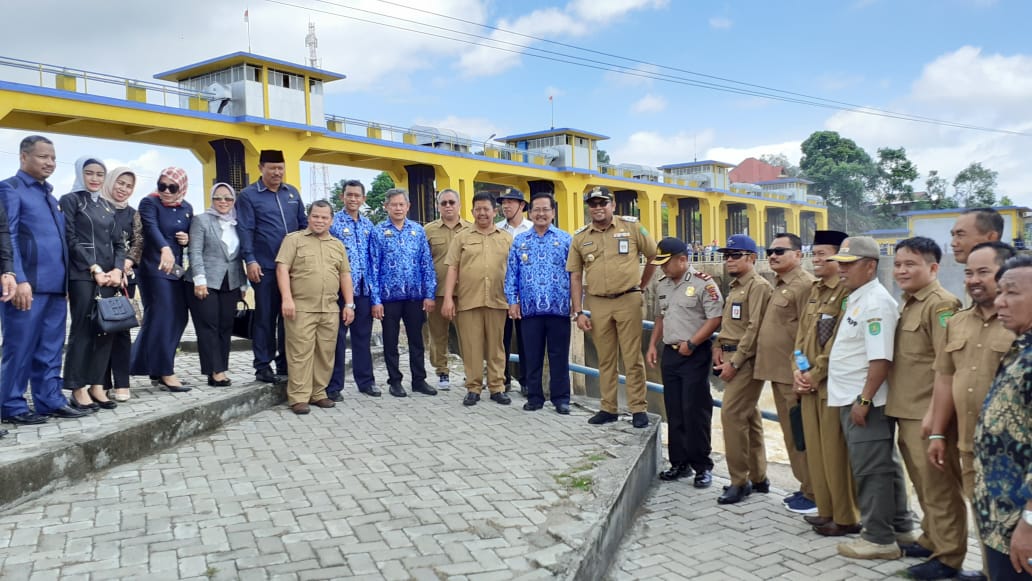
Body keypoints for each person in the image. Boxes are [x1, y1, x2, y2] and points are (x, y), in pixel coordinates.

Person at [825, 236, 916, 560]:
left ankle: (878, 539)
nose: (841, 269)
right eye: (840, 263)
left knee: (871, 470)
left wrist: (863, 400)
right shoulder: (858, 298)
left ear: (870, 266)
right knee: (884, 466)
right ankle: (901, 528)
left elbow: (880, 359)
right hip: (854, 397)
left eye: (849, 264)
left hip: (866, 402)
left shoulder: (875, 302)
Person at [930, 242, 1016, 581]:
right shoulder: (957, 322)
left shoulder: (1020, 323)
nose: (974, 280)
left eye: (983, 272)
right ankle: (989, 572)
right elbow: (945, 378)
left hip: (1010, 451)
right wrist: (938, 432)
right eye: (968, 273)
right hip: (969, 445)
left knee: (1014, 528)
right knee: (983, 519)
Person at [886, 236, 965, 579]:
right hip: (907, 409)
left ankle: (949, 558)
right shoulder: (910, 302)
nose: (901, 270)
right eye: (898, 264)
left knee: (940, 489)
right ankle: (931, 538)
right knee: (923, 484)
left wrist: (938, 421)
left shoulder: (941, 304)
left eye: (911, 264)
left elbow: (947, 365)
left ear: (933, 267)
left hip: (928, 413)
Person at [0, 135, 85, 425]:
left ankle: (50, 400)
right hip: (27, 286)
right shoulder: (10, 189)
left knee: (50, 348)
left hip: (56, 287)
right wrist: (19, 278)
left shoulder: (50, 196)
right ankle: (11, 405)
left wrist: (67, 284)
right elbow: (8, 236)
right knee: (19, 347)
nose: (49, 162)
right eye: (42, 156)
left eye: (53, 158)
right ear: (24, 157)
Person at [567, 186, 657, 429]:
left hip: (628, 300)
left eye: (602, 203)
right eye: (593, 204)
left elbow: (654, 255)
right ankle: (608, 408)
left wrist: (642, 285)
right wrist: (578, 311)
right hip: (598, 303)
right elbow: (575, 275)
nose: (598, 208)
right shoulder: (580, 237)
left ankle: (638, 408)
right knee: (605, 359)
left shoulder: (632, 227)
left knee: (632, 357)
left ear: (613, 205)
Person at [792, 230, 861, 537]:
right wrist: (797, 370)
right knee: (817, 453)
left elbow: (838, 342)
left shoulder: (847, 294)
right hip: (808, 384)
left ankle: (846, 517)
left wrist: (814, 374)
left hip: (832, 386)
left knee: (835, 455)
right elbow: (802, 336)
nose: (816, 260)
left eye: (823, 254)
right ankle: (826, 510)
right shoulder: (815, 290)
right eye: (815, 254)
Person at [973, 254, 1032, 580]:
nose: (1000, 302)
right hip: (1001, 519)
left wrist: (1029, 523)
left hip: (1022, 525)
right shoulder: (1020, 348)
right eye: (1000, 293)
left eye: (1012, 292)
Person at [646, 237, 723, 488]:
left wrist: (692, 343)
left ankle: (702, 466)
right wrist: (652, 345)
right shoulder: (663, 284)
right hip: (670, 353)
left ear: (682, 259)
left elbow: (715, 318)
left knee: (695, 410)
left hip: (695, 353)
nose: (662, 268)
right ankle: (679, 463)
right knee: (674, 409)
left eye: (666, 263)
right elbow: (660, 317)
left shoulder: (703, 283)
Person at [754, 232, 817, 514]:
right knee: (791, 435)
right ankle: (805, 485)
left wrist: (802, 372)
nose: (773, 255)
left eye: (780, 251)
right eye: (770, 251)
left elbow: (807, 335)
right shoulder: (780, 284)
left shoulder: (804, 286)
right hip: (778, 373)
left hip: (792, 376)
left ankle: (814, 492)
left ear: (798, 255)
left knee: (800, 435)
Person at [275, 200, 355, 414]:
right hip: (301, 307)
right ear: (309, 217)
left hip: (329, 308)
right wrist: (287, 298)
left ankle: (318, 393)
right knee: (300, 353)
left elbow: (345, 275)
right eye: (316, 216)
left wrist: (349, 304)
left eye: (324, 217)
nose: (320, 220)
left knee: (325, 353)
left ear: (331, 220)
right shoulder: (294, 240)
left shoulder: (337, 245)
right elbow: (282, 269)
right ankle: (299, 397)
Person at [59, 156, 124, 412]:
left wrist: (117, 269)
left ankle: (97, 385)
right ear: (80, 173)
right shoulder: (71, 200)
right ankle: (77, 388)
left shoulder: (107, 206)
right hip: (83, 275)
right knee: (83, 330)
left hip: (109, 277)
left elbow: (119, 242)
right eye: (89, 173)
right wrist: (93, 267)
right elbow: (70, 238)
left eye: (100, 174)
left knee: (107, 330)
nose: (95, 178)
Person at [236, 150, 307, 384]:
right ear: (261, 168)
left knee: (289, 317)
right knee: (265, 317)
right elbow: (245, 229)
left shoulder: (292, 193)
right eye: (272, 168)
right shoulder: (248, 196)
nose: (277, 172)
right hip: (265, 266)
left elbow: (303, 225)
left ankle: (285, 363)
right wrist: (250, 259)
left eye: (280, 168)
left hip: (294, 268)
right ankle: (263, 366)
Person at [712, 234, 773, 504]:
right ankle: (759, 477)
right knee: (749, 417)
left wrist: (735, 362)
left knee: (732, 415)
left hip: (745, 359)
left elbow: (754, 328)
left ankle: (739, 481)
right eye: (726, 256)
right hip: (730, 354)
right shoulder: (736, 286)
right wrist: (718, 345)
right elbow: (732, 324)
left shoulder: (758, 286)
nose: (729, 260)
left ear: (751, 258)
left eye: (735, 255)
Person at [442, 192, 513, 406]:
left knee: (496, 347)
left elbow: (514, 271)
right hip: (468, 300)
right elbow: (452, 268)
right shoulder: (462, 237)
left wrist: (514, 299)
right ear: (472, 211)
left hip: (498, 300)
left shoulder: (506, 238)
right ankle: (473, 388)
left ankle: (497, 387)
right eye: (478, 209)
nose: (482, 213)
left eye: (486, 209)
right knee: (471, 346)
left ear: (494, 211)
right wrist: (448, 298)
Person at [503, 193, 572, 413]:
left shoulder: (566, 239)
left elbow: (575, 274)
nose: (541, 214)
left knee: (559, 356)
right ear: (530, 213)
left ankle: (561, 398)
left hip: (559, 308)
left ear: (553, 212)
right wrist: (513, 302)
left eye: (545, 209)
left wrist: (576, 303)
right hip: (529, 309)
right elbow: (512, 274)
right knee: (531, 355)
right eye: (537, 210)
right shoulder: (520, 241)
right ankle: (534, 397)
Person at [129, 167, 193, 392]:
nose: (166, 191)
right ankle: (165, 371)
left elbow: (189, 233)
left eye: (172, 187)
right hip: (153, 268)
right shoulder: (149, 202)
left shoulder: (186, 208)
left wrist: (186, 238)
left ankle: (149, 365)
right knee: (163, 316)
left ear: (181, 187)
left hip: (175, 271)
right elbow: (151, 228)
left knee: (178, 317)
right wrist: (165, 248)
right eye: (162, 185)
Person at [369, 188, 437, 397]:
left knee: (416, 340)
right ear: (386, 207)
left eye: (401, 204)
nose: (398, 208)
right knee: (390, 341)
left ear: (408, 206)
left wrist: (429, 294)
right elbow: (373, 267)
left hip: (415, 296)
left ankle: (419, 380)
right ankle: (395, 381)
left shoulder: (418, 231)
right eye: (394, 205)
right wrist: (375, 300)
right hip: (389, 297)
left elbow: (426, 264)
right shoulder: (378, 232)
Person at [187, 183, 247, 387]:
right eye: (218, 198)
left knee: (226, 326)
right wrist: (199, 279)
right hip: (205, 281)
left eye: (228, 198)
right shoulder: (201, 220)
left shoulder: (236, 223)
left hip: (231, 281)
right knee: (209, 326)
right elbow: (195, 251)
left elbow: (237, 258)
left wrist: (243, 284)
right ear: (212, 199)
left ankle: (221, 367)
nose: (223, 202)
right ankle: (214, 371)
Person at [327, 179, 378, 399]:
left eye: (357, 195)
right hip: (340, 291)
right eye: (349, 195)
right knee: (337, 339)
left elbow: (373, 259)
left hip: (364, 291)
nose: (353, 199)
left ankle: (366, 382)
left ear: (363, 199)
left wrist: (375, 294)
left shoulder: (369, 226)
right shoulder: (333, 223)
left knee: (362, 338)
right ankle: (334, 386)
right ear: (342, 197)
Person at [100, 167, 143, 402]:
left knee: (121, 329)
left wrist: (124, 266)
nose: (123, 189)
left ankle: (122, 383)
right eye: (120, 183)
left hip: (125, 278)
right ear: (110, 182)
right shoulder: (97, 208)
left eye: (128, 186)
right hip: (99, 277)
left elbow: (137, 243)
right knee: (101, 328)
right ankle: (101, 383)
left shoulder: (133, 214)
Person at [423, 189, 471, 390]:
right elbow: (423, 263)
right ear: (438, 206)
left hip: (465, 293)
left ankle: (471, 372)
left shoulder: (471, 229)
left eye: (452, 202)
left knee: (469, 335)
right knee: (438, 335)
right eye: (444, 203)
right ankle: (442, 372)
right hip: (437, 292)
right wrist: (426, 293)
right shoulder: (428, 230)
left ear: (459, 205)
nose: (448, 206)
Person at [496, 187, 532, 394]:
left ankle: (527, 382)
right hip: (501, 294)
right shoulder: (496, 230)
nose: (506, 206)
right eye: (503, 202)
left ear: (522, 205)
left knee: (526, 340)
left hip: (525, 295)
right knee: (501, 340)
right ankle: (503, 379)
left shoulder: (532, 229)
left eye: (510, 202)